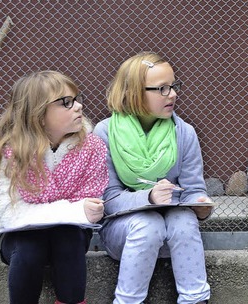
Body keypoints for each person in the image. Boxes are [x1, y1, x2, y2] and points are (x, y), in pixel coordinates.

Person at [93, 52, 213, 304]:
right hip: (124, 236)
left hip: (173, 236)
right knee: (148, 225)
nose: (173, 94)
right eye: (162, 89)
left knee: (184, 218)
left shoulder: (184, 133)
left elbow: (192, 189)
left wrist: (200, 203)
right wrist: (148, 197)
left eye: (174, 86)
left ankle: (195, 299)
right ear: (135, 92)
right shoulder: (105, 133)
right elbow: (108, 200)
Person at [0, 71, 108, 304]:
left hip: (71, 235)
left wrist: (79, 212)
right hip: (18, 238)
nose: (78, 106)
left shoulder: (92, 147)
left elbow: (89, 205)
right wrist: (74, 210)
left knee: (67, 236)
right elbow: (7, 213)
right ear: (39, 114)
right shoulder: (11, 151)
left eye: (76, 98)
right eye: (66, 103)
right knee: (30, 245)